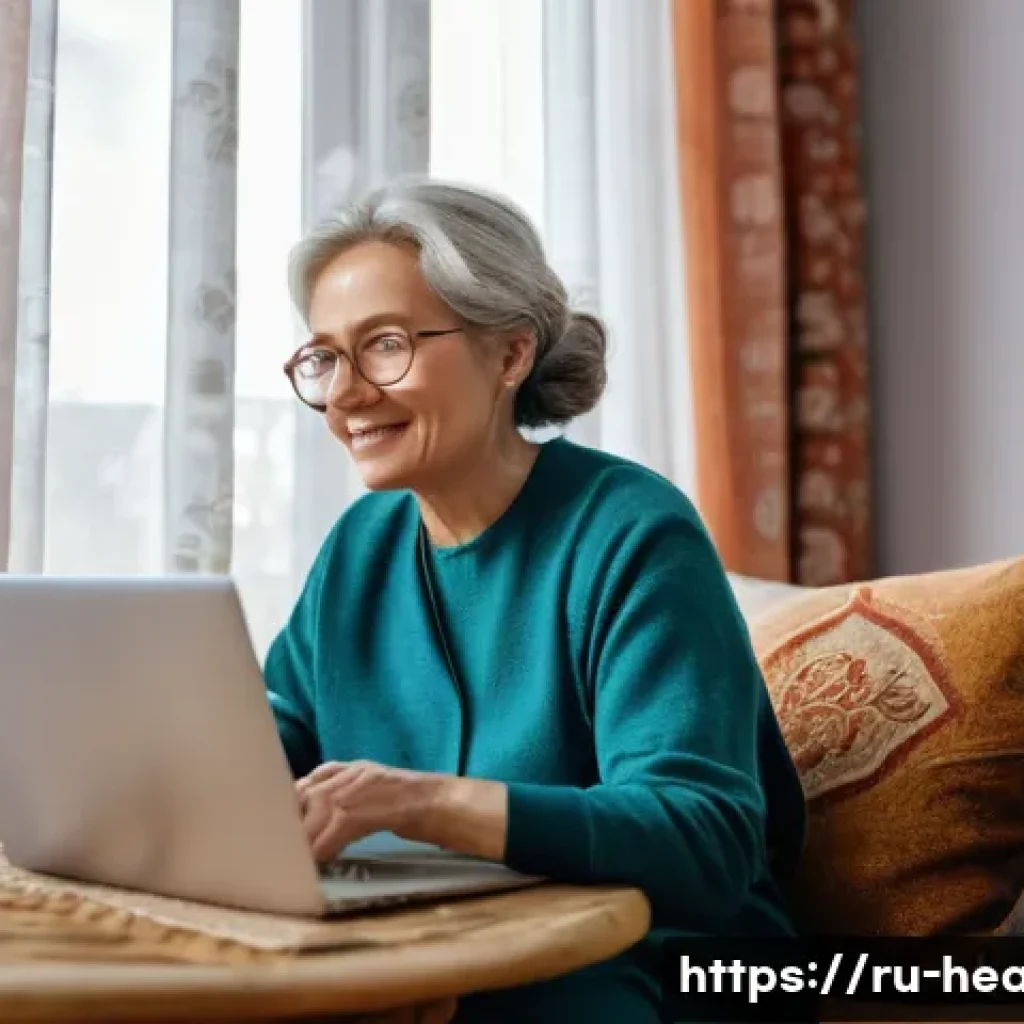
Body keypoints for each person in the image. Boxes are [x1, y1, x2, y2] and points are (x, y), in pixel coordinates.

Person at [264, 178, 807, 1023]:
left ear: (511, 354)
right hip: (444, 944)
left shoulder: (632, 529)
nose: (344, 394)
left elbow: (704, 837)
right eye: (327, 357)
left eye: (386, 346)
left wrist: (418, 802)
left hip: (650, 969)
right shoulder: (357, 551)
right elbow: (261, 752)